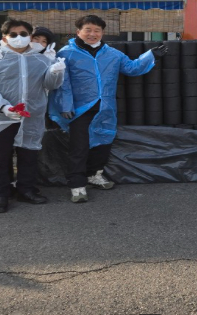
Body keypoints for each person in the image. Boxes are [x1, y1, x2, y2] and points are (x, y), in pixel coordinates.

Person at [50, 15, 165, 204]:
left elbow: (132, 68)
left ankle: (94, 174)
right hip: (79, 108)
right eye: (88, 30)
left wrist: (151, 55)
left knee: (104, 141)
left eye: (97, 30)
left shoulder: (113, 54)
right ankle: (77, 185)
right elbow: (63, 82)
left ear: (102, 33)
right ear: (78, 31)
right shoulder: (66, 53)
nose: (92, 34)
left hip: (105, 106)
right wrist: (65, 105)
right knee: (79, 146)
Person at [0, 20, 66, 213]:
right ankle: (1, 194)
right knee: (0, 157)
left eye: (23, 34)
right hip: (2, 117)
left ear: (30, 37)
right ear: (4, 37)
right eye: (13, 34)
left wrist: (56, 72)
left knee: (29, 155)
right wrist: (3, 107)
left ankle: (26, 189)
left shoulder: (41, 60)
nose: (19, 38)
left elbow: (51, 85)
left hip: (32, 116)